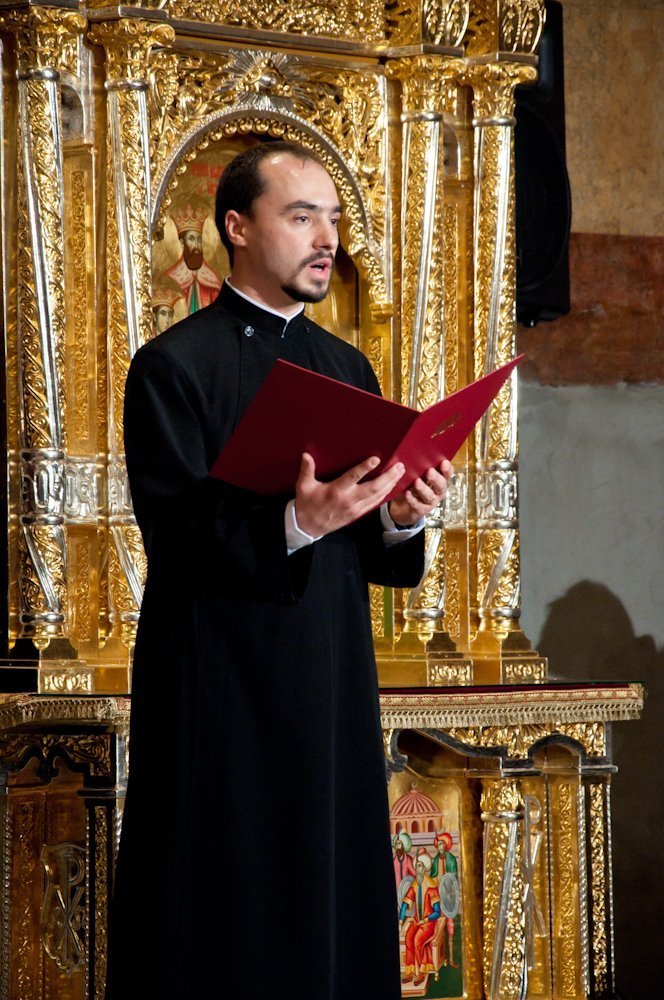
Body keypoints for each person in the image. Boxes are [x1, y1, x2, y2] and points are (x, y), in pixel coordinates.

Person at [105, 141, 452, 1000]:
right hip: (220, 695)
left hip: (329, 686)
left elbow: (370, 550)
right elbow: (177, 540)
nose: (326, 238)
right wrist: (297, 522)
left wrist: (400, 520)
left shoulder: (348, 368)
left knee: (330, 913)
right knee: (226, 921)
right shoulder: (172, 367)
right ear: (237, 227)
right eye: (301, 217)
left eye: (332, 219)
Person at [164, 205, 222, 313]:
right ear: (182, 243)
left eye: (199, 240)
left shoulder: (212, 281)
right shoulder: (171, 278)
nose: (196, 245)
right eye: (191, 239)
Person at [399, 850, 442, 987]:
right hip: (417, 921)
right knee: (408, 938)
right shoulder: (414, 884)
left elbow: (437, 912)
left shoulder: (431, 886)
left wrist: (426, 920)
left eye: (420, 866)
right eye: (417, 866)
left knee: (417, 940)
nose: (417, 869)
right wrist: (400, 920)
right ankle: (410, 971)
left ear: (424, 868)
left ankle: (421, 972)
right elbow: (405, 904)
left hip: (429, 923)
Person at [430, 831, 460, 968]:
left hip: (449, 897)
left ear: (446, 844)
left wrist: (449, 892)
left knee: (450, 926)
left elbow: (453, 878)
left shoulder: (451, 859)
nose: (439, 846)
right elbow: (433, 878)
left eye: (441, 844)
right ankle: (441, 959)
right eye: (438, 844)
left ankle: (451, 958)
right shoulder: (436, 860)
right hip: (439, 897)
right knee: (439, 927)